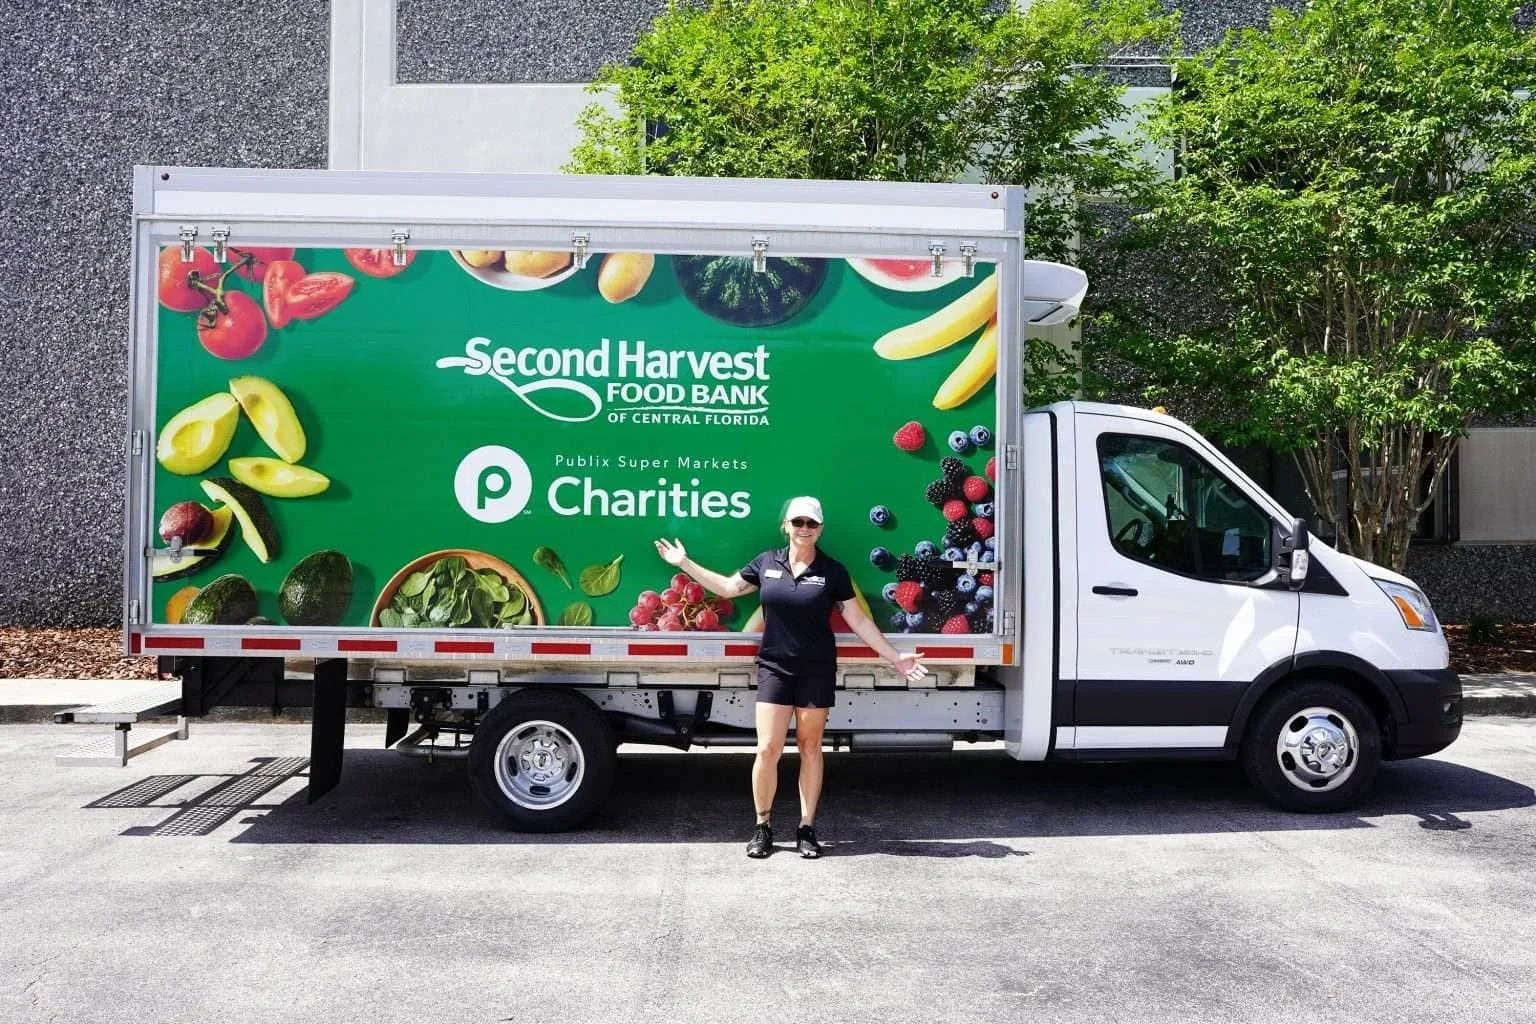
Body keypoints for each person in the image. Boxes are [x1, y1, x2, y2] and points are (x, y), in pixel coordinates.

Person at [654, 496, 926, 859]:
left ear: (820, 529)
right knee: (767, 748)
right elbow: (727, 588)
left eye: (811, 524)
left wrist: (895, 658)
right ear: (786, 525)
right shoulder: (767, 562)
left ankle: (807, 828)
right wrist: (683, 562)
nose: (804, 529)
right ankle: (762, 826)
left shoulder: (833, 571)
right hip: (774, 668)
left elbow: (859, 620)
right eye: (798, 522)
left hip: (816, 669)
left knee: (811, 749)